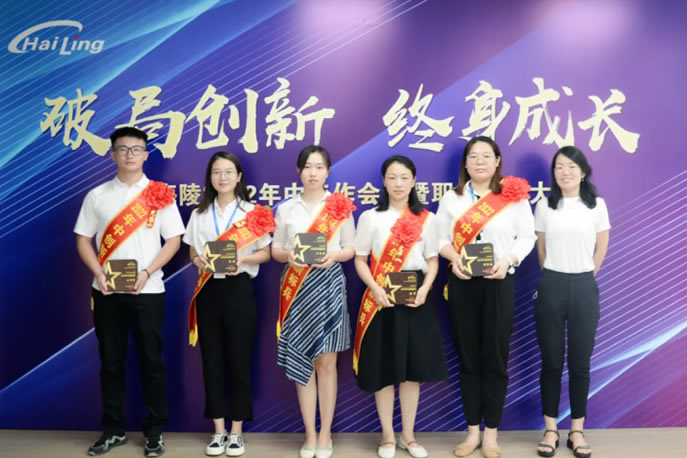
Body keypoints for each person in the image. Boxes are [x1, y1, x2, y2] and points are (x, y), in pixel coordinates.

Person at [75, 126, 184, 457]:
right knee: (111, 361)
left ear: (146, 155)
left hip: (148, 290)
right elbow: (83, 239)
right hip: (106, 291)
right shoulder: (97, 196)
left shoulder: (159, 194)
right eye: (122, 149)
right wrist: (99, 274)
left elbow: (174, 240)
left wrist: (147, 272)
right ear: (112, 155)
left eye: (136, 149)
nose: (129, 155)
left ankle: (155, 431)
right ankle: (113, 429)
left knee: (152, 361)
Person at [435, 136, 535, 458]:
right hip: (463, 283)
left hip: (499, 282)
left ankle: (491, 433)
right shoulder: (452, 198)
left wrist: (508, 260)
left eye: (486, 156)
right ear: (465, 163)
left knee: (495, 357)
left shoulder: (513, 198)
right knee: (468, 358)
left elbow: (527, 237)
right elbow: (438, 238)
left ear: (497, 161)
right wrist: (454, 258)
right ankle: (472, 432)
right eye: (473, 156)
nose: (479, 161)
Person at [353, 155, 447, 458]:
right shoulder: (370, 217)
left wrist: (425, 288)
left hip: (415, 296)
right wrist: (375, 288)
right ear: (383, 181)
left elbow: (433, 260)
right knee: (384, 369)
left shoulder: (427, 218)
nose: (398, 183)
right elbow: (360, 259)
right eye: (392, 177)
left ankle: (409, 436)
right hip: (381, 295)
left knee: (410, 371)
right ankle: (387, 437)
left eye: (404, 177)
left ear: (414, 181)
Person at [184, 152, 273, 456]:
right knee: (212, 360)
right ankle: (218, 430)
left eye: (228, 172)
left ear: (238, 177)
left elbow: (266, 253)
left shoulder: (253, 213)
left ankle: (236, 431)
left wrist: (242, 259)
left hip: (239, 290)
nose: (222, 178)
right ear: (210, 177)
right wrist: (198, 260)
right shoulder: (199, 213)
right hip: (208, 290)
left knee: (239, 360)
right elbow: (192, 252)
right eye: (216, 172)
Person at [271, 145, 356, 458]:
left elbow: (351, 248)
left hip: (329, 284)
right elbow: (275, 249)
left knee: (327, 363)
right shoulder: (286, 209)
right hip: (297, 287)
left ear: (328, 171)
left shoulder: (339, 206)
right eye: (307, 167)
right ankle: (309, 433)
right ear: (298, 171)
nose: (313, 173)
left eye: (319, 167)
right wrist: (289, 257)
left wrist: (334, 255)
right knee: (302, 358)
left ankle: (325, 433)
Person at [533, 146, 610, 458]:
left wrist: (584, 276)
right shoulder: (544, 206)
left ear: (583, 171)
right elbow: (541, 249)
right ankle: (551, 429)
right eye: (559, 167)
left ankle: (577, 430)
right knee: (551, 362)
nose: (565, 172)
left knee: (580, 363)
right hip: (551, 284)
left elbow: (601, 247)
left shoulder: (596, 205)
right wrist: (554, 276)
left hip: (583, 286)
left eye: (571, 166)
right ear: (554, 173)